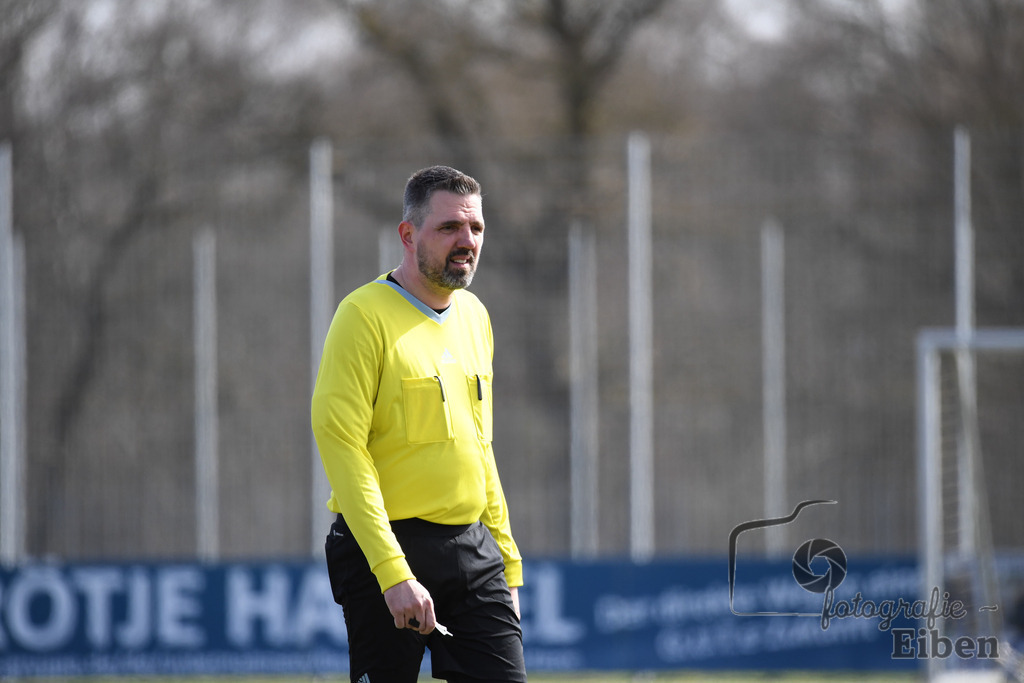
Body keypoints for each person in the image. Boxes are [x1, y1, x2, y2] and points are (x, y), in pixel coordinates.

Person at [311, 165, 526, 683]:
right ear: (408, 235)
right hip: (384, 549)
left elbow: (481, 447)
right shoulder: (362, 316)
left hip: (473, 552)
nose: (466, 241)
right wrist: (392, 571)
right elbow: (342, 446)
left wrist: (508, 564)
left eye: (475, 228)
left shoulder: (475, 316)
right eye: (449, 227)